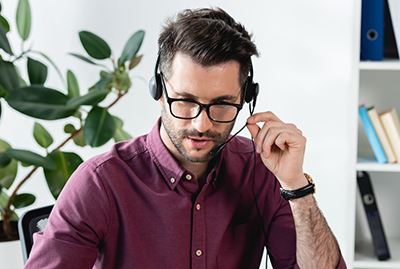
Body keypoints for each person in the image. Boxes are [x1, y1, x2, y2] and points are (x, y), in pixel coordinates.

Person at [25, 7, 347, 269]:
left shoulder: (262, 169)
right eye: (186, 101)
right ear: (159, 91)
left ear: (246, 99)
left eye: (221, 105)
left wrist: (296, 187)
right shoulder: (101, 182)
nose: (201, 124)